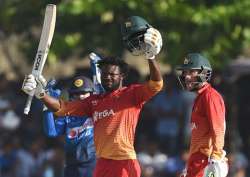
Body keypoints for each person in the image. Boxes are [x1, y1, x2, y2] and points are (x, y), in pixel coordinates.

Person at [22, 16, 163, 177]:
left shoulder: (131, 94)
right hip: (101, 163)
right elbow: (62, 108)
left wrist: (151, 57)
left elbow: (156, 85)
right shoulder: (94, 102)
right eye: (104, 74)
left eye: (112, 74)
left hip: (123, 162)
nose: (107, 77)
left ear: (122, 76)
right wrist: (40, 93)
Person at [176, 53, 228, 177]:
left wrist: (216, 157)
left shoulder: (210, 96)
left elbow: (218, 129)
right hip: (197, 161)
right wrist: (188, 167)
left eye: (191, 72)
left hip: (206, 161)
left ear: (204, 73)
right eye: (185, 72)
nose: (186, 77)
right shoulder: (200, 97)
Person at [43, 76, 96, 177]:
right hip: (71, 168)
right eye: (76, 94)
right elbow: (51, 132)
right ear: (71, 96)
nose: (80, 96)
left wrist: (97, 70)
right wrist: (47, 105)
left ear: (92, 94)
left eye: (84, 93)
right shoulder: (67, 116)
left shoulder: (97, 112)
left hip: (93, 167)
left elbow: (104, 92)